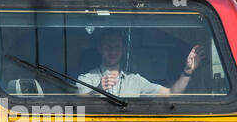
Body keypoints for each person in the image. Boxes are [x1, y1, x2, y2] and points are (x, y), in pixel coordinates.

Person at [76, 28, 206, 96]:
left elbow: (172, 93)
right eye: (107, 46)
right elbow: (75, 104)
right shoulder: (87, 79)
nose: (112, 50)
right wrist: (96, 90)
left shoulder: (135, 80)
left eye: (117, 46)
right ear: (100, 49)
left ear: (123, 50)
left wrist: (188, 71)